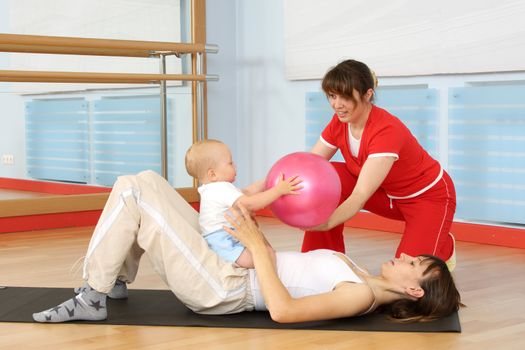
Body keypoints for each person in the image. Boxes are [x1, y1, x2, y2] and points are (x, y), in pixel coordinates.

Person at [32, 170, 461, 324]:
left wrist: (254, 241)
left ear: (414, 291)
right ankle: (118, 279)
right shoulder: (356, 271)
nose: (405, 254)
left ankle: (93, 295)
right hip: (236, 262)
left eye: (415, 263)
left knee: (132, 193)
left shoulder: (360, 295)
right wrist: (250, 235)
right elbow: (287, 270)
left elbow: (283, 310)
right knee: (146, 181)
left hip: (225, 287)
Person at [302, 59, 458, 271]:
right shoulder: (340, 121)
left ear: (367, 94)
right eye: (332, 95)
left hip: (426, 198)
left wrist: (324, 223)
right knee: (328, 176)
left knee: (405, 278)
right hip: (385, 193)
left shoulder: (386, 130)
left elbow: (359, 196)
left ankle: (442, 245)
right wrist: (258, 193)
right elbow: (307, 167)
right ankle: (320, 265)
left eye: (345, 97)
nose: (337, 104)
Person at [185, 139, 302, 268]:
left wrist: (268, 179)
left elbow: (247, 192)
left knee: (267, 253)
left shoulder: (215, 188)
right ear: (213, 174)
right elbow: (249, 204)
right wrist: (278, 190)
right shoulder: (219, 188)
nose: (235, 166)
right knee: (264, 258)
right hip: (223, 241)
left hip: (227, 237)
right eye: (230, 163)